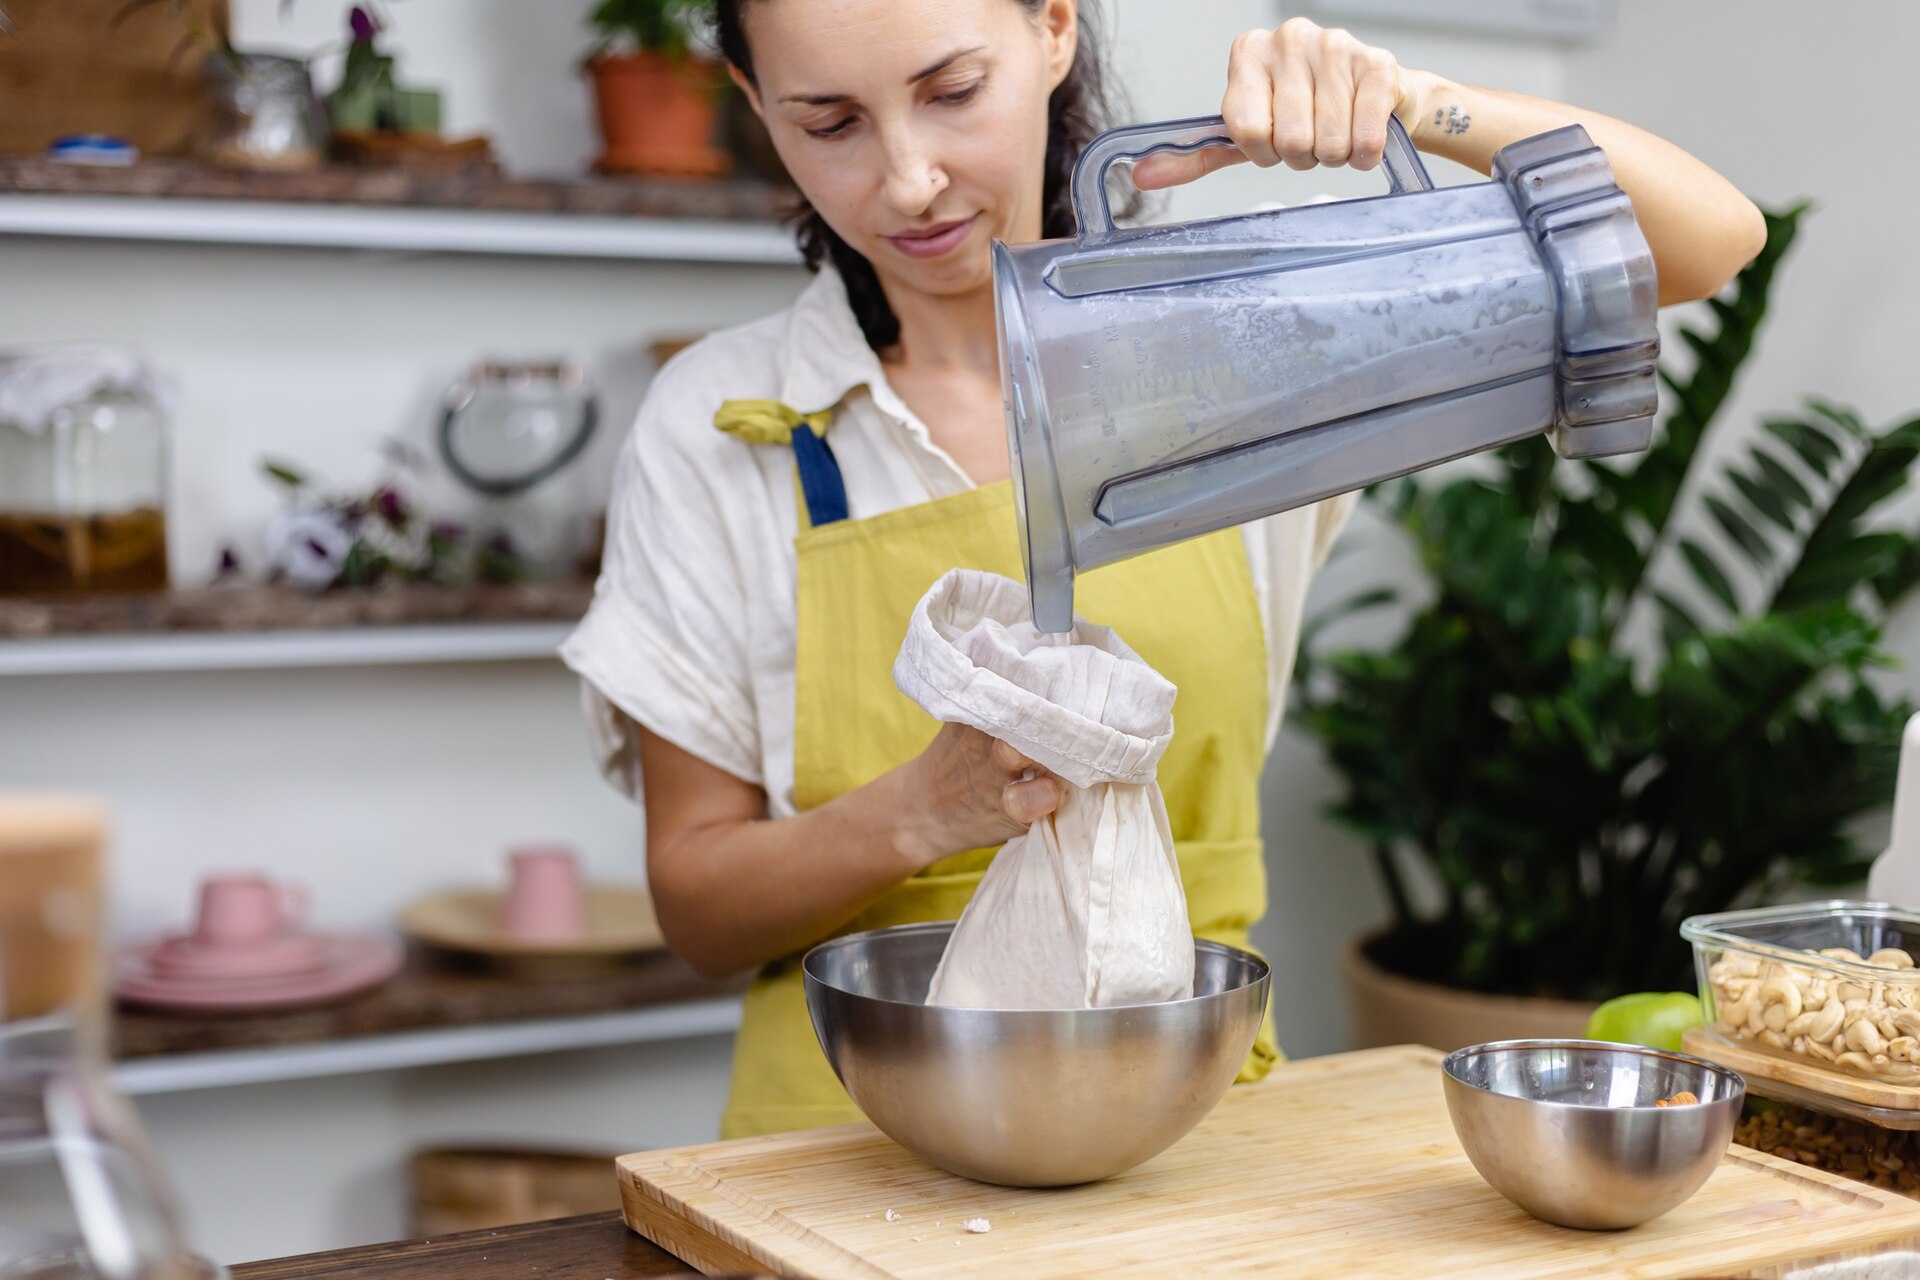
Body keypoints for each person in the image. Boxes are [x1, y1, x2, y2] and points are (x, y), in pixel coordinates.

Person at [560, 0, 1764, 1139]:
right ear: (751, 101)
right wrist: (927, 807)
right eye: (829, 123)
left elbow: (1706, 243)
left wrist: (1420, 101)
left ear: (1051, 26)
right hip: (837, 1151)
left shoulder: (1242, 332)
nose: (908, 178)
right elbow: (699, 909)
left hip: (1196, 1137)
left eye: (953, 91)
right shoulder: (721, 419)